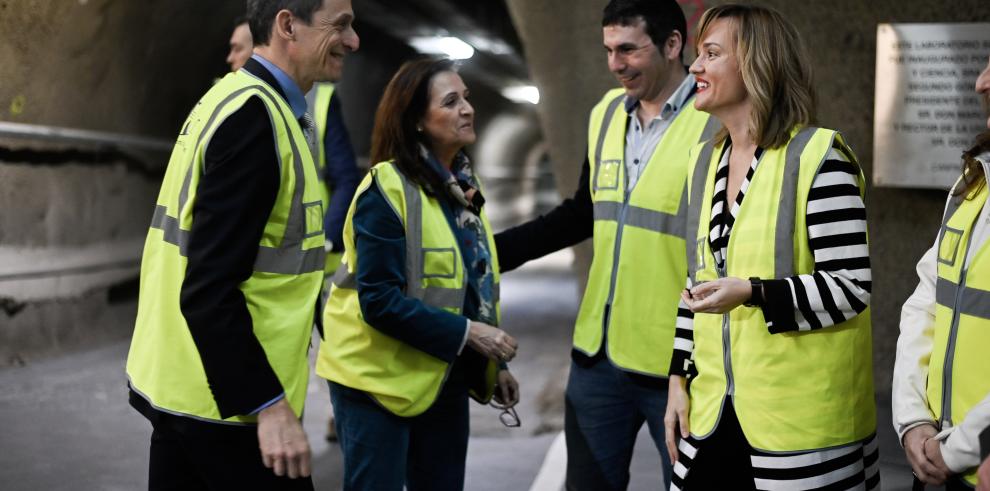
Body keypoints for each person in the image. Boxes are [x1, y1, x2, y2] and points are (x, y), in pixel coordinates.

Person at [124, 0, 358, 489]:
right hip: (229, 409)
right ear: (288, 25)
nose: (354, 41)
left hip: (185, 387)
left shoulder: (233, 98)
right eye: (342, 26)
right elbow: (209, 286)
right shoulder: (255, 119)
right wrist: (268, 405)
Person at [494, 1, 715, 488]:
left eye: (629, 50)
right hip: (598, 357)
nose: (615, 64)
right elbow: (581, 213)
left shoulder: (714, 122)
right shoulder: (606, 114)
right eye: (608, 50)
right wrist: (491, 255)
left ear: (673, 45)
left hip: (678, 362)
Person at [663, 4, 878, 489]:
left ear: (758, 64)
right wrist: (678, 380)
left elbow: (851, 288)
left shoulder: (819, 158)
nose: (695, 67)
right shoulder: (705, 160)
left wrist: (754, 293)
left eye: (711, 54)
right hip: (715, 410)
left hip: (800, 428)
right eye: (697, 54)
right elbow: (694, 285)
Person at [315, 58, 521, 491]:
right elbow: (378, 301)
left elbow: (467, 284)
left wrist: (490, 364)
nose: (467, 108)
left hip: (438, 374)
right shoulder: (384, 191)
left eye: (465, 97)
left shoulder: (460, 187)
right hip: (374, 383)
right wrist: (470, 334)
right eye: (451, 101)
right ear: (417, 122)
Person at [224, 10, 362, 442]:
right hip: (266, 270)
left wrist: (322, 238)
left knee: (337, 351)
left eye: (237, 48)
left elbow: (342, 175)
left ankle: (343, 417)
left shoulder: (313, 102)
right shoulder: (238, 106)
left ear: (266, 42)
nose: (230, 57)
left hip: (316, 259)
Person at [893, 53, 990, 490]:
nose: (981, 82)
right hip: (935, 457)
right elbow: (926, 301)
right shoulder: (974, 180)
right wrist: (913, 419)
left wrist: (957, 450)